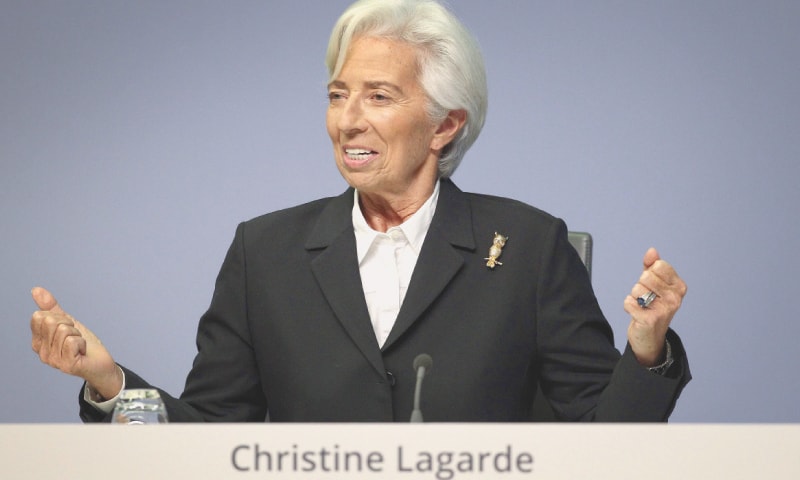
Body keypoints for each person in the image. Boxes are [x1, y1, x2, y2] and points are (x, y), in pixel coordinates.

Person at [30, 0, 690, 422]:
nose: (347, 121)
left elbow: (607, 444)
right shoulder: (266, 253)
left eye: (377, 96)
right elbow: (209, 437)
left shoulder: (528, 245)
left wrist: (646, 349)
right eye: (338, 94)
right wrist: (110, 383)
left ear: (444, 125)